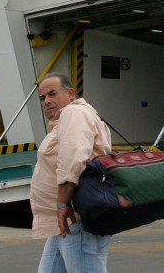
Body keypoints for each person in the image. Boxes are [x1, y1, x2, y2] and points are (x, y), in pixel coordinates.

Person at [30, 73, 113, 273]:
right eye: (42, 97)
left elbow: (72, 160)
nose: (46, 101)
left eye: (52, 94)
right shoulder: (65, 120)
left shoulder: (74, 113)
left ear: (70, 93)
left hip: (75, 218)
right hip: (64, 222)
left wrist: (63, 203)